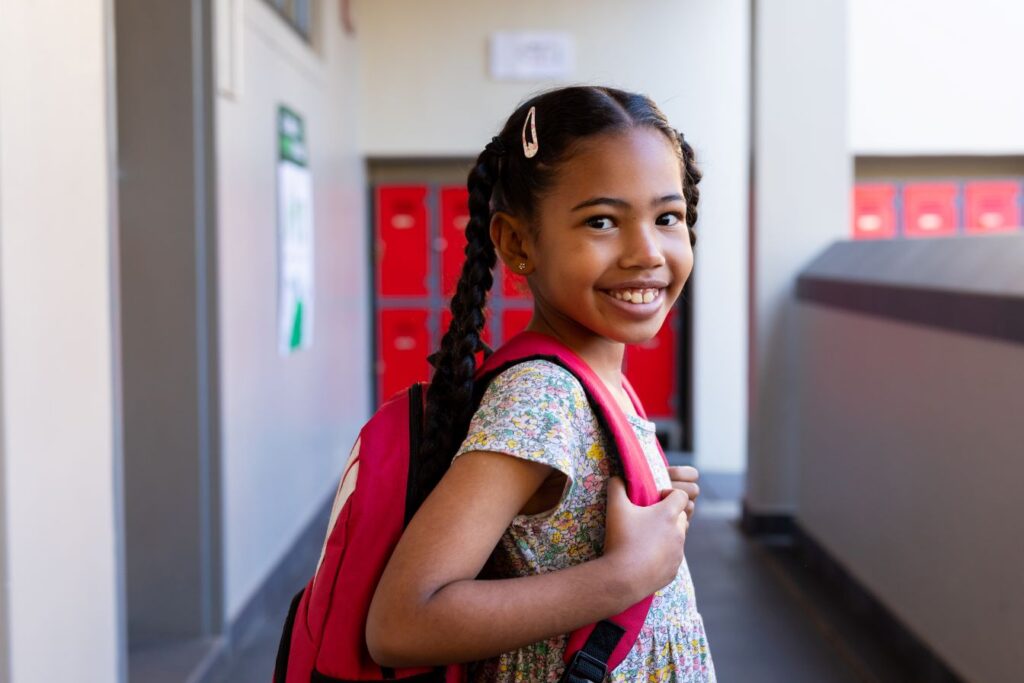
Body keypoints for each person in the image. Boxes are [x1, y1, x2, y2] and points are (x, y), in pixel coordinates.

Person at [366, 85, 716, 682]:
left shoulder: (597, 384)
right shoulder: (541, 397)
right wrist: (628, 574)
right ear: (517, 242)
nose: (646, 252)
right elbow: (402, 622)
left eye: (667, 217)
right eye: (602, 221)